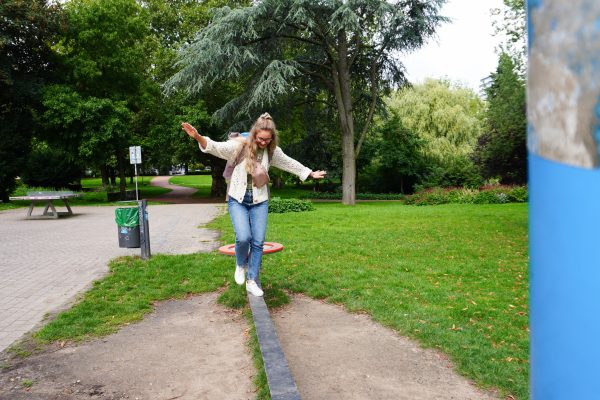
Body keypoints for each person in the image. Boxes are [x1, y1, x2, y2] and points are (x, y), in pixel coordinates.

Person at [181, 113, 326, 296]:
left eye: (268, 139)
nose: (264, 142)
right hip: (237, 199)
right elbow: (215, 147)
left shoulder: (272, 151)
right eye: (260, 139)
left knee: (258, 242)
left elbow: (289, 163)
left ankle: (251, 280)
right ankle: (240, 264)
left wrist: (310, 173)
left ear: (272, 138)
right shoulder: (238, 146)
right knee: (243, 237)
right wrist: (197, 137)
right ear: (254, 134)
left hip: (259, 201)